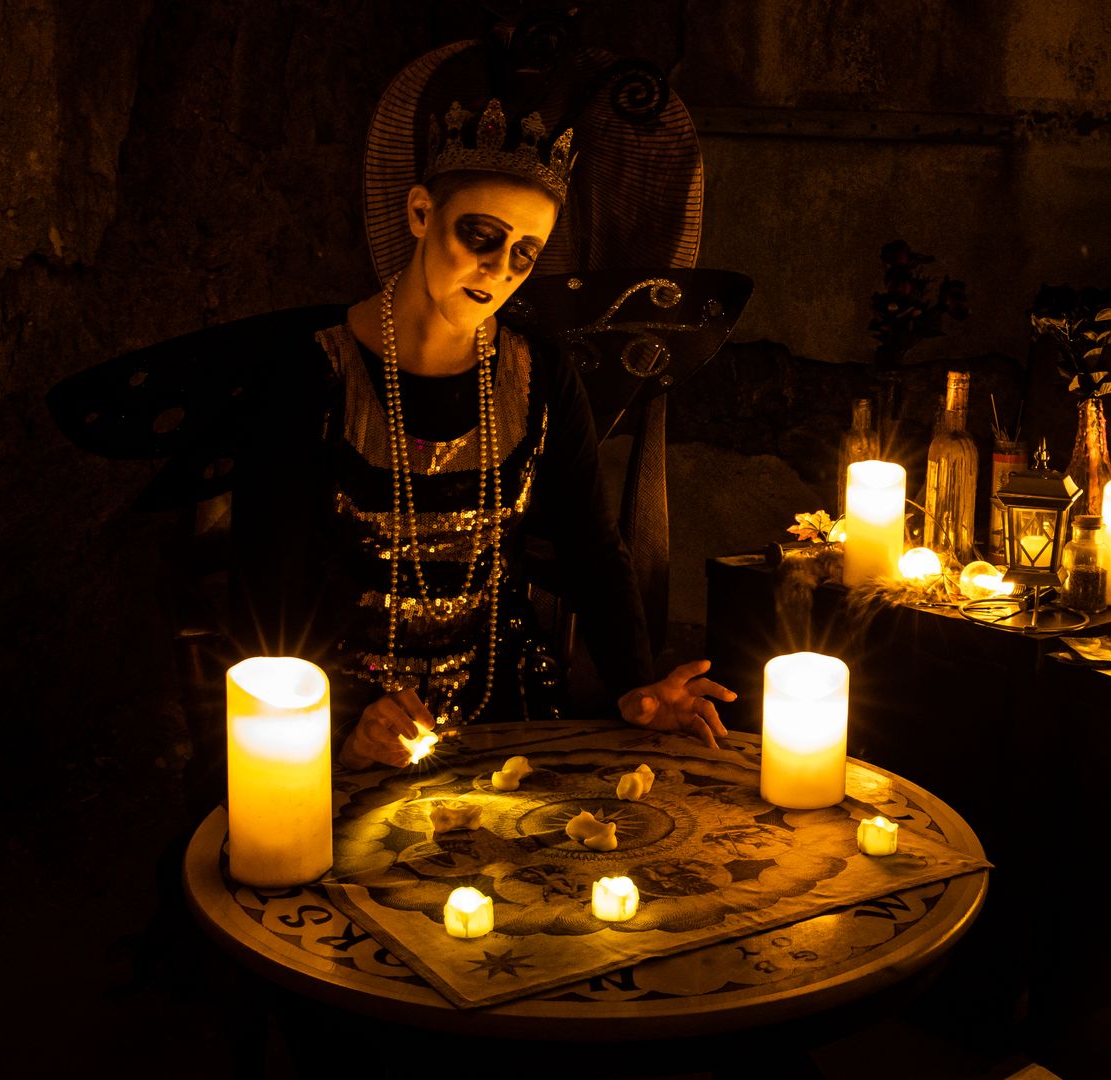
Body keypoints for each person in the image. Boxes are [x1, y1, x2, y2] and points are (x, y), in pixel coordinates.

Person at [221, 97, 731, 769]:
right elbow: (267, 585)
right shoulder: (312, 373)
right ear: (420, 213)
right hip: (335, 725)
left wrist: (635, 684)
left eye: (524, 254)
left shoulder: (536, 370)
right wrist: (334, 727)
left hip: (502, 710)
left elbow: (591, 546)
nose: (498, 272)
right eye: (481, 237)